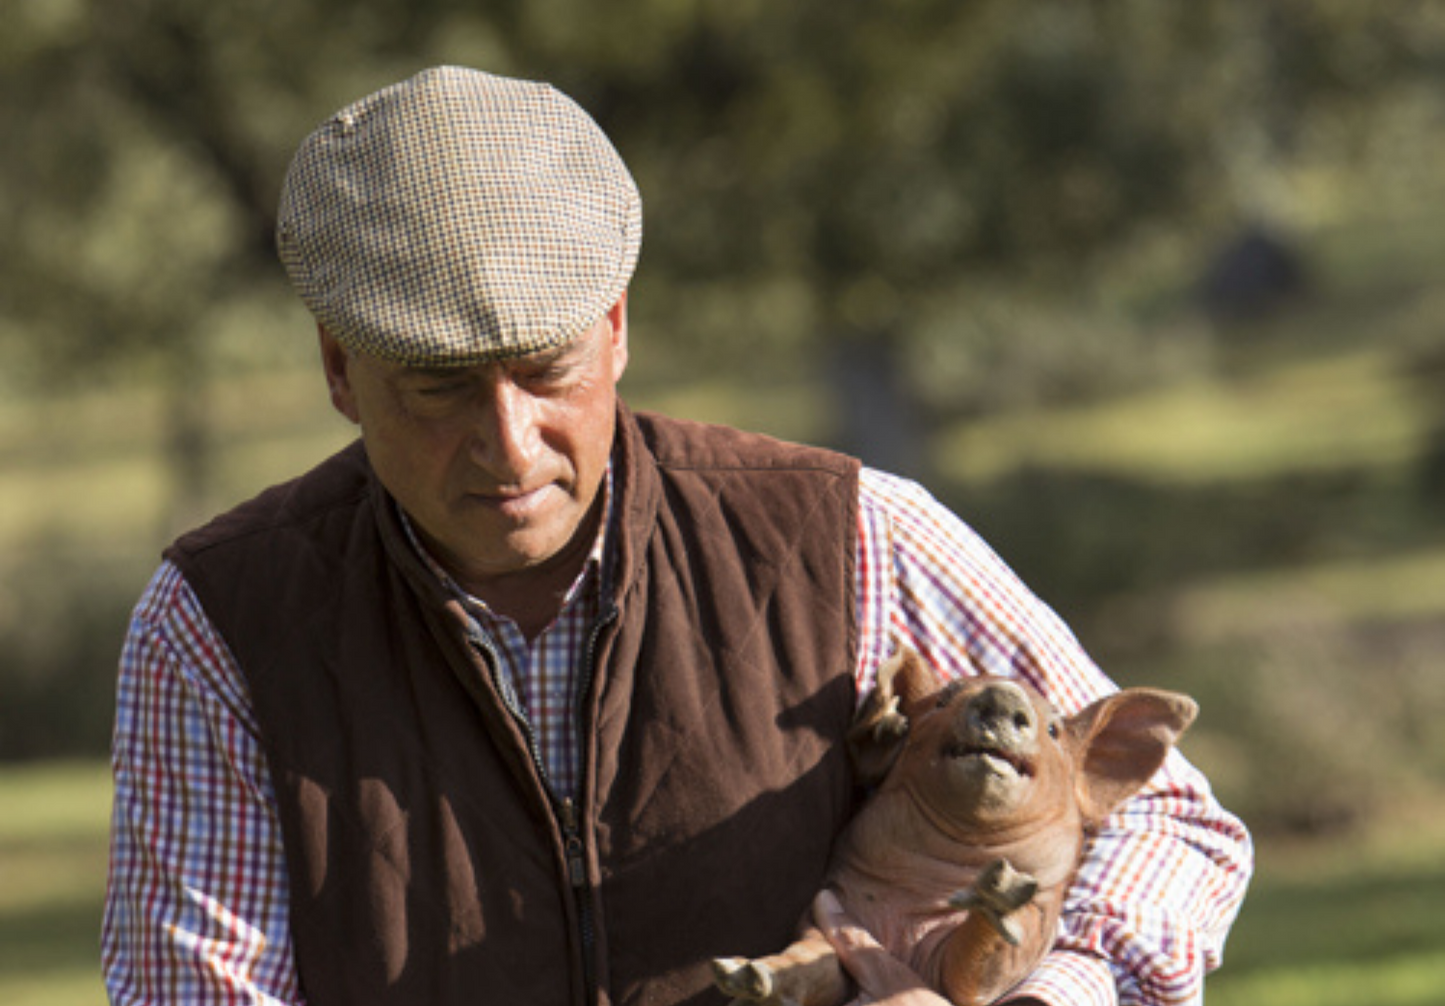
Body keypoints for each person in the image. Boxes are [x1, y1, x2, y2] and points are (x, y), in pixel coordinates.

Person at [102, 66, 1251, 1006]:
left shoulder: (846, 533)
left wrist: (1049, 991)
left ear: (613, 330)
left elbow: (1164, 822)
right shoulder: (221, 622)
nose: (509, 446)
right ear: (340, 368)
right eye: (438, 390)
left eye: (547, 372)